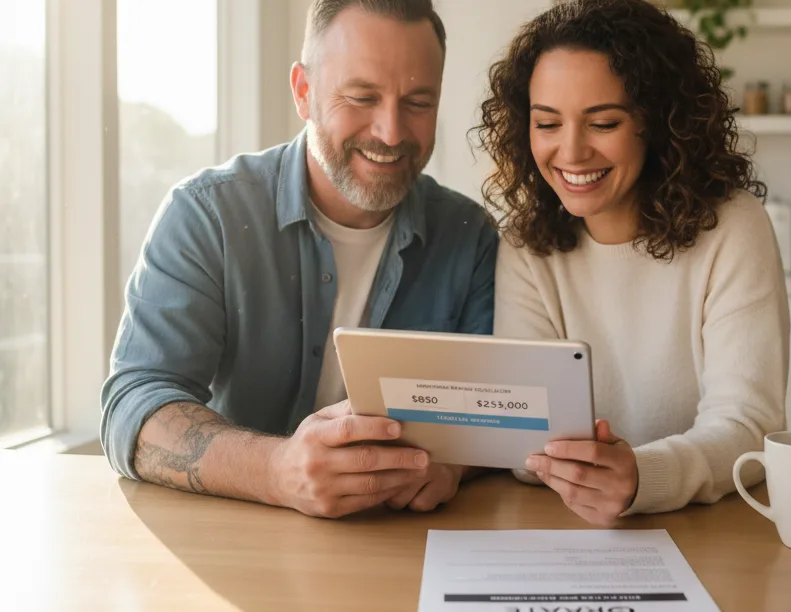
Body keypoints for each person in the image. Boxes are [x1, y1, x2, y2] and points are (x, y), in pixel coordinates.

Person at [101, 0, 497, 519]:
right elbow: (133, 407)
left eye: (418, 102)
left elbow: (495, 413)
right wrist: (276, 469)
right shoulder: (206, 215)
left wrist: (454, 464)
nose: (392, 131)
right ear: (303, 92)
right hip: (235, 547)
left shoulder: (470, 237)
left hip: (403, 547)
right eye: (361, 97)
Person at [475, 0, 789, 526]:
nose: (571, 152)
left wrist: (642, 476)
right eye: (547, 123)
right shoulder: (527, 247)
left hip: (711, 529)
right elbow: (524, 441)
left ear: (659, 122)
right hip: (564, 528)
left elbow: (749, 422)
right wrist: (578, 468)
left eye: (603, 122)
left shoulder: (733, 227)